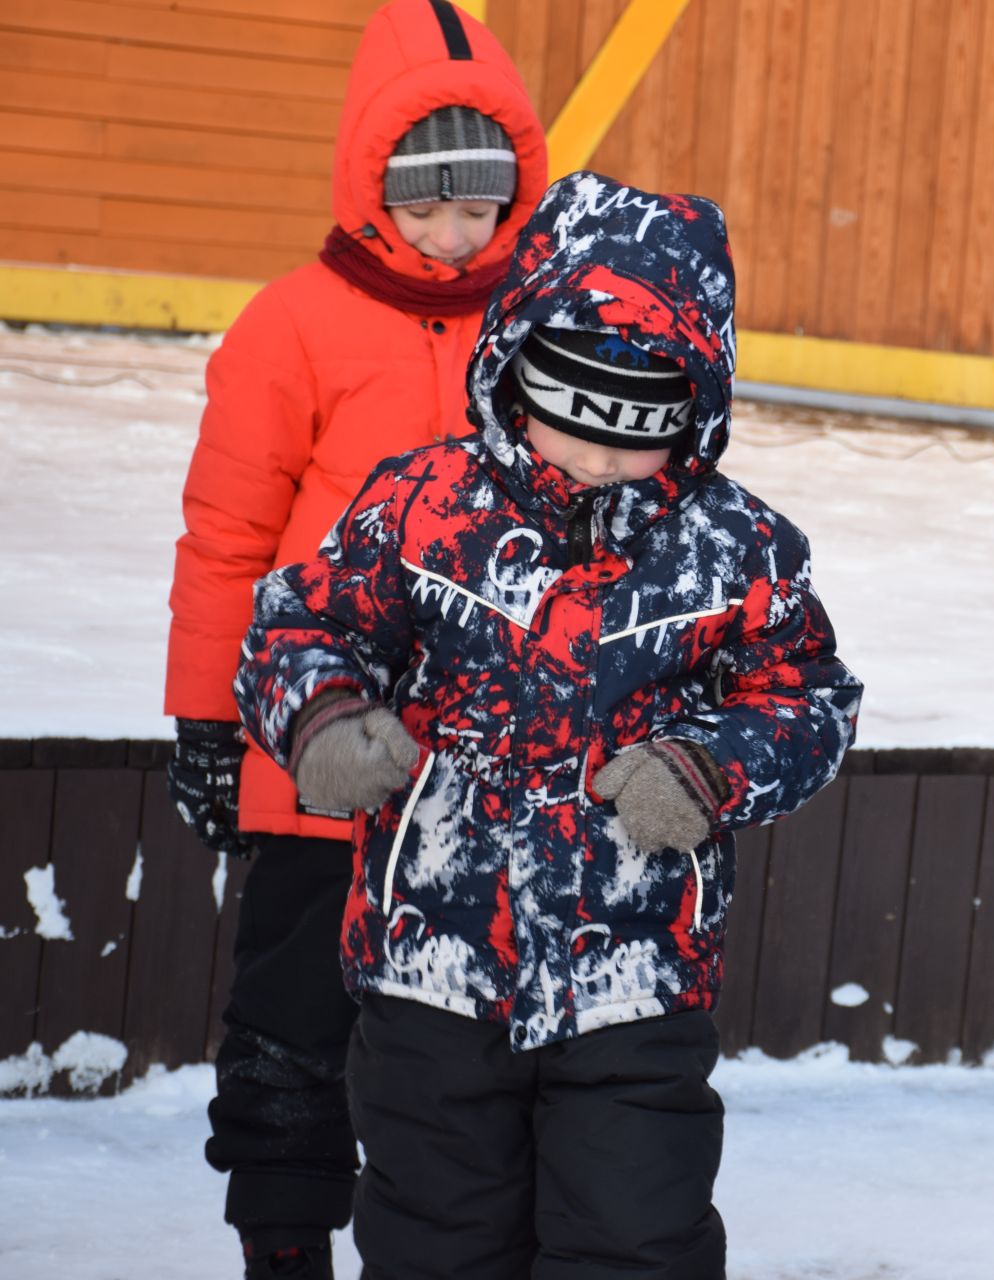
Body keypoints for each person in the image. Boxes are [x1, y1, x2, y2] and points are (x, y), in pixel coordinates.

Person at [231, 169, 860, 1279]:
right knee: (437, 1240)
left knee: (635, 1239)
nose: (597, 460)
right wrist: (324, 716)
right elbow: (303, 620)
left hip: (636, 973)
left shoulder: (738, 548)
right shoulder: (425, 503)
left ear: (695, 409)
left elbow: (806, 694)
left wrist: (709, 765)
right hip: (431, 961)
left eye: (636, 435)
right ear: (513, 373)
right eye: (568, 421)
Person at [161, 2, 547, 1274]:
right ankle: (282, 1247)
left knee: (445, 1050)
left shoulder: (535, 329)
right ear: (372, 186)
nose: (453, 236)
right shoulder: (292, 325)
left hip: (478, 773)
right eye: (426, 205)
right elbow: (228, 538)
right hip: (311, 756)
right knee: (291, 1028)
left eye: (479, 207)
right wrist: (211, 719)